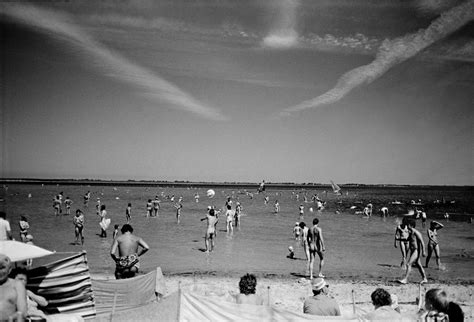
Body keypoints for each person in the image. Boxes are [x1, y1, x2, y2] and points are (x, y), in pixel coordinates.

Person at [398, 218, 427, 284]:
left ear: (411, 225)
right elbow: (406, 239)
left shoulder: (416, 232)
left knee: (408, 264)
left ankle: (405, 279)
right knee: (419, 265)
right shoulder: (411, 233)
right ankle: (425, 278)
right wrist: (399, 239)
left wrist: (423, 251)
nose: (406, 226)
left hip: (416, 251)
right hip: (413, 251)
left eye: (407, 225)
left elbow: (422, 242)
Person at [0, 255, 27, 321]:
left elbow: (22, 313)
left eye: (2, 268)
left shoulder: (17, 285)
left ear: (9, 270)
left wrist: (12, 318)